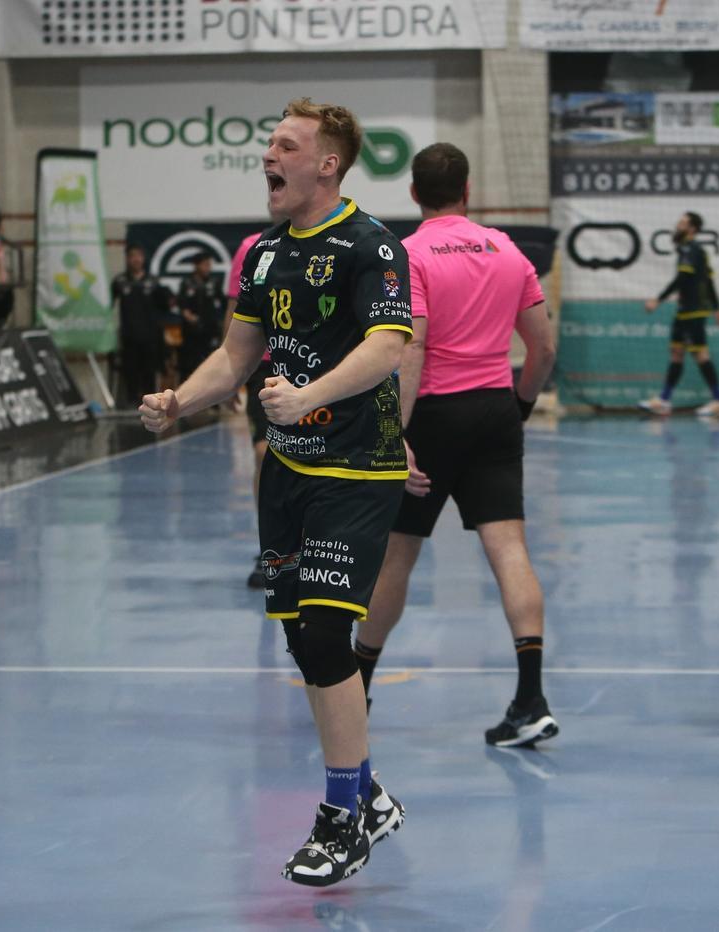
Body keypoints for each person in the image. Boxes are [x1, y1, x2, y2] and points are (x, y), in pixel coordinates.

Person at [140, 98, 408, 885]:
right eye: (268, 146)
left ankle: (342, 820)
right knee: (302, 642)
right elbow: (235, 356)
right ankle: (368, 791)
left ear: (327, 163)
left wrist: (310, 393)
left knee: (327, 634)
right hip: (286, 471)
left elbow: (389, 344)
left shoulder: (372, 245)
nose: (268, 157)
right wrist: (178, 400)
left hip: (357, 469)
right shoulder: (260, 252)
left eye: (285, 146)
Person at [352, 142, 560, 748]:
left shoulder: (408, 254)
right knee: (510, 551)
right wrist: (518, 406)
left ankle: (355, 686)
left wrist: (395, 432)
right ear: (468, 191)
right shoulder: (507, 249)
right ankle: (531, 698)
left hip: (432, 417)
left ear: (414, 194)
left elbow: (409, 348)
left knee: (397, 554)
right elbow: (543, 350)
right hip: (495, 408)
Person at [638, 212, 719, 417]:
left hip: (694, 310)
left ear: (692, 229)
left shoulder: (691, 249)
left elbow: (683, 278)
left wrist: (658, 299)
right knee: (676, 353)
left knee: (700, 354)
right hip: (683, 310)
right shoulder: (691, 250)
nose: (678, 225)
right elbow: (709, 280)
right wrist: (717, 309)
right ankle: (663, 400)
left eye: (682, 223)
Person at [224, 230, 272, 588]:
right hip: (265, 365)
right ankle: (270, 548)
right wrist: (230, 374)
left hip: (320, 366)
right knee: (263, 453)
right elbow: (235, 311)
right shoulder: (251, 248)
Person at [110, 244, 169, 409]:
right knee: (130, 369)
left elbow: (164, 306)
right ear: (128, 259)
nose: (136, 259)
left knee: (149, 370)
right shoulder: (120, 282)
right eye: (132, 256)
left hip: (150, 335)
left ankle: (150, 403)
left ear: (143, 259)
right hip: (129, 334)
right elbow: (109, 305)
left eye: (139, 256)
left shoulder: (153, 282)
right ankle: (131, 401)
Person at [176, 250, 224, 382]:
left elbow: (223, 303)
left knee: (212, 362)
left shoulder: (214, 283)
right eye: (205, 264)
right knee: (189, 364)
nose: (207, 268)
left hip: (210, 329)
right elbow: (182, 306)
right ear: (197, 265)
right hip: (192, 331)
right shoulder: (186, 283)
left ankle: (214, 398)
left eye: (209, 264)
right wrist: (189, 317)